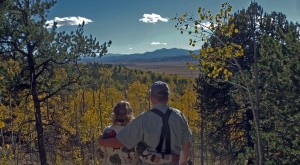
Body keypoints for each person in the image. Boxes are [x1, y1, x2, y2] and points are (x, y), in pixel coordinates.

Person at [99, 81, 192, 165]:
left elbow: (120, 142)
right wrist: (182, 162)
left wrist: (101, 141)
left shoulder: (143, 119)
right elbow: (186, 146)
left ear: (151, 97)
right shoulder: (179, 116)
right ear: (168, 97)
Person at [99, 101, 139, 165]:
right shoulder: (135, 131)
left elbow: (102, 155)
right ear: (129, 114)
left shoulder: (106, 131)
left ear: (114, 114)